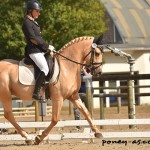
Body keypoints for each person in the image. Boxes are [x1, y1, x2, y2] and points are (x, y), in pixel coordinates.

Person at [22, 0, 55, 101]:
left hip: (40, 50)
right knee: (45, 68)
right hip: (34, 51)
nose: (39, 13)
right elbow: (33, 39)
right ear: (30, 11)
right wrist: (47, 46)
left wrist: (46, 48)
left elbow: (39, 38)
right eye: (37, 11)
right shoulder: (27, 23)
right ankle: (36, 93)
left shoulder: (33, 22)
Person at [73, 65, 94, 130]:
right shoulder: (76, 69)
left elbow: (89, 77)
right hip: (77, 93)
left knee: (89, 109)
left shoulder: (89, 69)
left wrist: (84, 71)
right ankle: (78, 126)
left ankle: (90, 125)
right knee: (76, 110)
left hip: (87, 92)